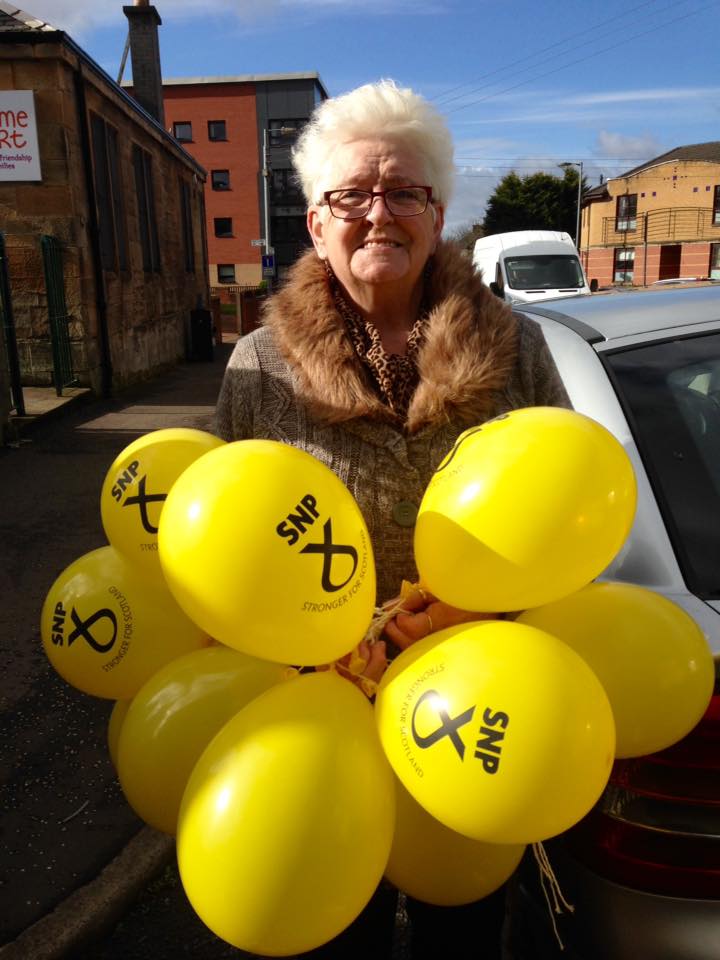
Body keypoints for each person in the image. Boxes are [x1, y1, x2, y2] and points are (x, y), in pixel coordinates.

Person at [214, 79, 569, 960]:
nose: (380, 214)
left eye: (404, 192)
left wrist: (478, 614)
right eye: (352, 195)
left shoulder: (517, 348)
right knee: (335, 930)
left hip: (479, 714)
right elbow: (219, 541)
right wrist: (307, 643)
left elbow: (566, 526)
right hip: (313, 719)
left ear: (436, 212)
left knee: (466, 926)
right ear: (316, 222)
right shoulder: (260, 365)